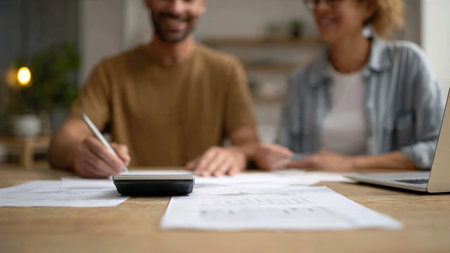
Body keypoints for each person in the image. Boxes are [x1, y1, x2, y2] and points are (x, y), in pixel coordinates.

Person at [48, 0, 259, 178]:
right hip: (127, 203)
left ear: (202, 4)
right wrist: (77, 154)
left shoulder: (226, 70)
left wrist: (236, 154)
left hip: (201, 198)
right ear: (146, 1)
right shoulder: (110, 71)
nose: (176, 8)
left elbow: (250, 145)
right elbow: (61, 143)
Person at [254, 0, 444, 172]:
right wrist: (268, 156)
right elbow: (285, 153)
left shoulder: (408, 62)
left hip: (389, 199)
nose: (320, 8)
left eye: (332, 1)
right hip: (317, 197)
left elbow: (441, 149)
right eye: (315, 1)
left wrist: (350, 164)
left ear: (368, 7)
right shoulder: (301, 79)